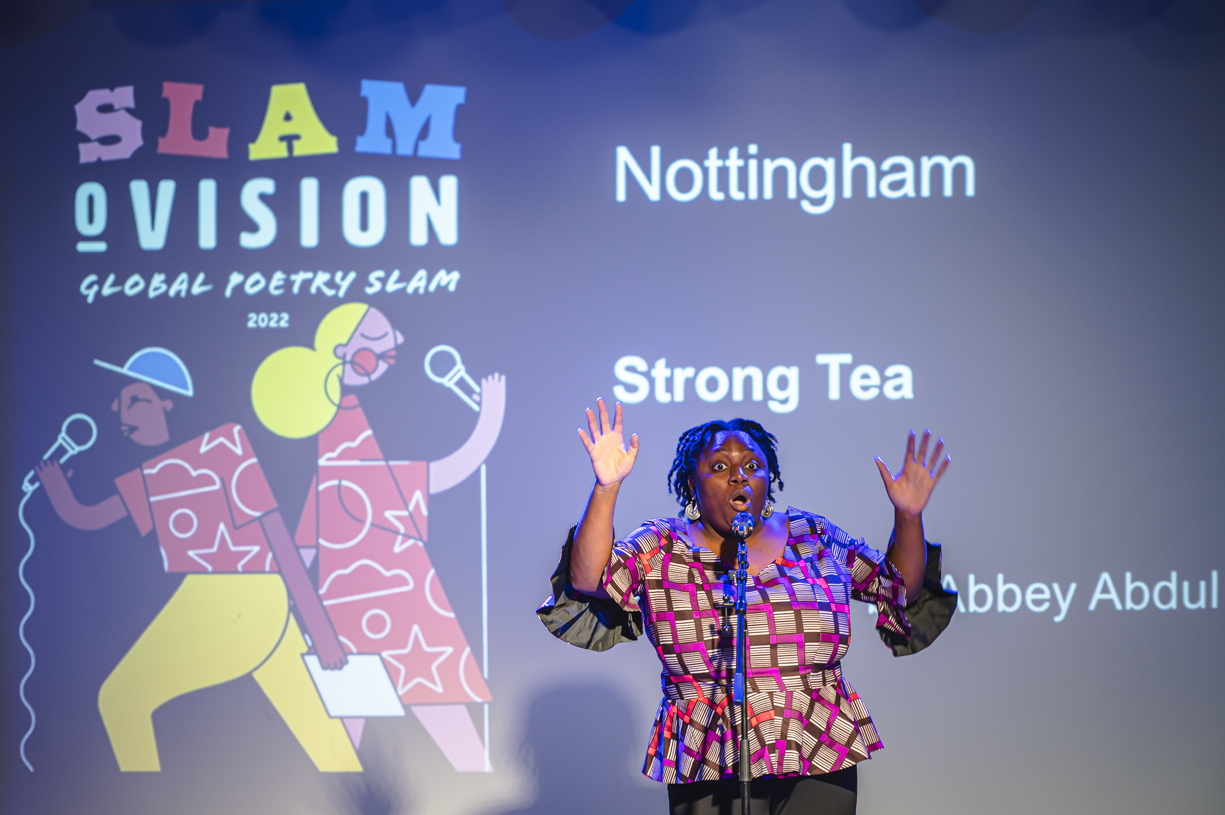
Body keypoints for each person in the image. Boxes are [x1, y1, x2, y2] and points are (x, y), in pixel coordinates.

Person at [537, 400, 957, 815]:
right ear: (692, 482)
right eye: (720, 466)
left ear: (767, 479)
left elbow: (897, 588)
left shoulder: (812, 535)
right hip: (707, 747)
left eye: (753, 466)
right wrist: (606, 487)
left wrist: (908, 515)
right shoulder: (662, 545)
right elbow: (588, 579)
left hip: (818, 740)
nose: (739, 475)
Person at [35, 347, 359, 772]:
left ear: (167, 403)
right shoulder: (155, 473)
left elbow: (277, 537)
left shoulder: (226, 446)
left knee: (120, 701)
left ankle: (143, 794)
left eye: (136, 400)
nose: (119, 411)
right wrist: (55, 486)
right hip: (251, 598)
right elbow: (88, 516)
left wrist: (322, 630)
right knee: (328, 743)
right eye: (119, 402)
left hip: (230, 597)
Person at [252, 303, 505, 770]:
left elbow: (307, 539)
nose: (393, 349)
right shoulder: (345, 457)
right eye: (378, 344)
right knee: (365, 739)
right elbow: (436, 475)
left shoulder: (341, 456)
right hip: (385, 613)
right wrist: (488, 420)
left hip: (374, 610)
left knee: (364, 741)